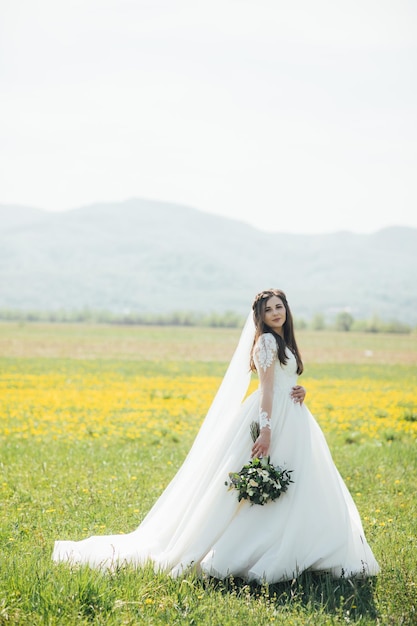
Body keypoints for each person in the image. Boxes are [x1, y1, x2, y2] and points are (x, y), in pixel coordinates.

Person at [53, 289, 380, 582]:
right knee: (262, 483)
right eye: (269, 310)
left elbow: (281, 381)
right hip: (273, 420)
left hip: (293, 419)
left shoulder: (284, 342)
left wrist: (299, 389)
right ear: (261, 317)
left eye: (279, 307)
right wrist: (266, 431)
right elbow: (265, 389)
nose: (276, 313)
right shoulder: (266, 342)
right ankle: (253, 549)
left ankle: (297, 545)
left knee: (300, 484)